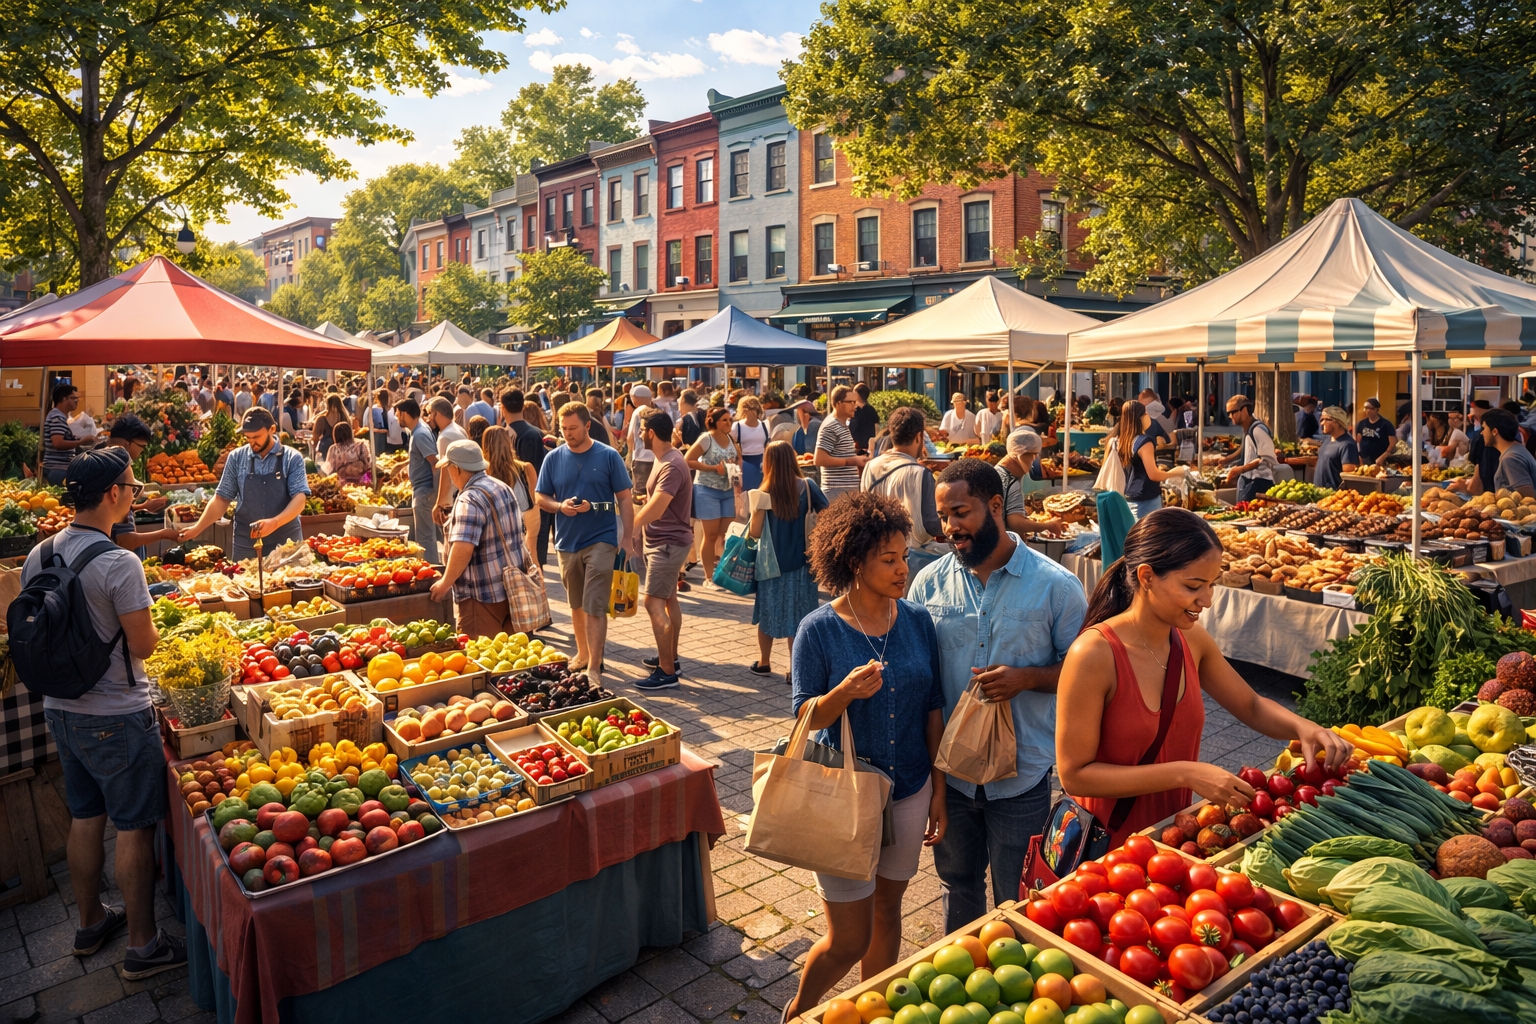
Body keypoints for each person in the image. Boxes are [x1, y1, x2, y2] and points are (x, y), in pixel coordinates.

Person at [1054, 508, 1352, 848]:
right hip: (1110, 845)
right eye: (1194, 586)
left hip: (1179, 840)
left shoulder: (1190, 639)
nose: (1207, 601)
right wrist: (1187, 773)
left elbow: (1251, 705)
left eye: (1211, 585)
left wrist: (1306, 728)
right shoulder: (1093, 654)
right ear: (1147, 576)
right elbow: (1074, 774)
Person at [783, 492, 947, 1019]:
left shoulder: (918, 621)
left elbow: (933, 710)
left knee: (888, 912)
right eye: (890, 559)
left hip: (910, 792)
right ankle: (800, 1011)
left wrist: (938, 792)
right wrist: (842, 694)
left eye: (904, 557)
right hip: (846, 798)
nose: (904, 569)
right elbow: (806, 719)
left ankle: (869, 1013)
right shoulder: (819, 629)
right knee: (848, 939)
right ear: (854, 562)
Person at [904, 459, 1087, 931]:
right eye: (943, 517)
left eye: (960, 513)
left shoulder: (1057, 586)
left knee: (1018, 896)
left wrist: (1026, 679)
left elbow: (1086, 676)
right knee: (957, 883)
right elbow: (919, 679)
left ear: (996, 505)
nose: (950, 528)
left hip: (1021, 776)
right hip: (951, 778)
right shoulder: (927, 584)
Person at [26, 448, 187, 979]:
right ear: (113, 494)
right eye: (133, 487)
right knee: (135, 827)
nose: (136, 493)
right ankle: (143, 946)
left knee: (85, 816)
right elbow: (142, 645)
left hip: (61, 710)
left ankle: (91, 921)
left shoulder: (40, 553)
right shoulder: (121, 563)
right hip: (116, 713)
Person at [535, 402, 635, 682]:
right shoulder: (553, 458)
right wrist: (559, 506)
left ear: (588, 425)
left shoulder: (608, 456)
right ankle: (582, 654)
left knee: (593, 603)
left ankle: (595, 666)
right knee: (576, 604)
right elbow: (540, 497)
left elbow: (625, 499)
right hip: (567, 542)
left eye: (573, 428)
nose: (567, 433)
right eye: (563, 428)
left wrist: (627, 538)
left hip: (601, 540)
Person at [180, 408, 309, 559]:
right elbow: (221, 499)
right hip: (247, 542)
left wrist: (274, 523)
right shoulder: (236, 458)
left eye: (257, 436)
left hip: (286, 541)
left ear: (272, 429)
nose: (252, 442)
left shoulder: (292, 458)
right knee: (244, 580)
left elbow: (300, 499)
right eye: (248, 437)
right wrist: (197, 529)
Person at [748, 441, 828, 682]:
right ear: (792, 460)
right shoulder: (808, 486)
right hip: (803, 563)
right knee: (799, 616)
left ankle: (764, 661)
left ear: (768, 463)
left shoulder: (763, 492)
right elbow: (826, 514)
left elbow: (755, 532)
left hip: (770, 564)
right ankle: (795, 669)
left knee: (767, 613)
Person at [428, 440, 526, 638]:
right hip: (512, 589)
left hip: (481, 595)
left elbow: (463, 547)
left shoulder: (469, 498)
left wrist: (446, 582)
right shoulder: (501, 486)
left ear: (456, 468)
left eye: (449, 468)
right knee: (511, 654)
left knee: (480, 657)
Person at [629, 411, 693, 690]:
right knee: (668, 600)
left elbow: (657, 508)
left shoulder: (671, 464)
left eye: (642, 429)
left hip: (667, 543)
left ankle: (667, 672)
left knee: (652, 603)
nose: (640, 434)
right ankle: (671, 657)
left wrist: (632, 524)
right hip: (667, 541)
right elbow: (657, 499)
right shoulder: (665, 459)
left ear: (651, 433)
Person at [862, 406, 946, 578]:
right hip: (909, 562)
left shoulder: (871, 466)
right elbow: (931, 524)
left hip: (875, 555)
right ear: (919, 436)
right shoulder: (920, 473)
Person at [99, 416, 175, 556]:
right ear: (128, 444)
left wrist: (142, 507)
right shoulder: (118, 472)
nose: (141, 453)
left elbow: (109, 508)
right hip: (119, 560)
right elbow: (125, 541)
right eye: (142, 447)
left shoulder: (99, 460)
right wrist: (164, 534)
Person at [684, 407, 739, 588]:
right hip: (706, 489)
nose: (728, 423)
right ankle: (708, 577)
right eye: (724, 420)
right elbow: (688, 460)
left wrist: (735, 471)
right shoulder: (706, 438)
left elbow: (738, 458)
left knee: (726, 535)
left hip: (727, 490)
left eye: (730, 420)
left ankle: (723, 573)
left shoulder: (731, 438)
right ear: (714, 421)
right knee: (711, 534)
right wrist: (713, 468)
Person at [1116, 399, 1187, 519]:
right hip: (1146, 498)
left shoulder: (1123, 440)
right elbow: (1153, 475)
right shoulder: (1145, 441)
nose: (1148, 416)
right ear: (1140, 417)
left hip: (1129, 497)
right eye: (1146, 413)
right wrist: (1175, 473)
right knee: (1149, 535)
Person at [482, 425, 540, 567]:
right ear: (508, 443)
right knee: (532, 561)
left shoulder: (483, 473)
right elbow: (534, 499)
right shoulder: (526, 468)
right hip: (526, 521)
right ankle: (538, 588)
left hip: (495, 524)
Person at [393, 399, 441, 562]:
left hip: (425, 491)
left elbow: (435, 463)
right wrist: (404, 464)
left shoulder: (420, 433)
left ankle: (432, 574)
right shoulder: (418, 430)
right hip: (424, 490)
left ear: (405, 414)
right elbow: (423, 456)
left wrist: (436, 494)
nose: (397, 418)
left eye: (398, 414)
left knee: (425, 539)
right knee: (427, 536)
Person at [996, 428, 1065, 537]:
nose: (1034, 461)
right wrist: (1048, 525)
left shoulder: (996, 473)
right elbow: (1016, 522)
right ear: (1021, 454)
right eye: (1033, 456)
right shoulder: (1011, 482)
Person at [816, 385, 868, 501]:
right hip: (836, 492)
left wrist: (859, 459)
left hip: (845, 492)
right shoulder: (830, 426)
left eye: (855, 402)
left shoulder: (842, 425)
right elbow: (819, 459)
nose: (855, 406)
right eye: (851, 402)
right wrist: (853, 461)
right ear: (839, 403)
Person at [1220, 395, 1277, 501]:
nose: (1230, 416)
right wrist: (1227, 460)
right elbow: (1246, 449)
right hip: (1248, 481)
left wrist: (1239, 469)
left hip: (1258, 483)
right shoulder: (1248, 428)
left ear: (1244, 410)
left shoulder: (1258, 429)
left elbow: (1265, 459)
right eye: (1228, 413)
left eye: (1232, 412)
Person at [427, 396, 467, 541]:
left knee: (451, 542)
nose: (428, 418)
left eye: (430, 413)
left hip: (451, 499)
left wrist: (439, 503)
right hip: (460, 493)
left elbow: (445, 472)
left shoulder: (445, 436)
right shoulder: (458, 429)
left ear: (437, 413)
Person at [1473, 408, 1536, 499]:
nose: (1482, 433)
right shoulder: (1517, 449)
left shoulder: (1510, 458)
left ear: (1495, 431)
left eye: (1484, 428)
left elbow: (1528, 498)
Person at [42, 383, 87, 484]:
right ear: (63, 399)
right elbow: (57, 443)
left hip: (59, 468)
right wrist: (81, 441)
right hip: (57, 469)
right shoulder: (57, 417)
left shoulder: (58, 415)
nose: (77, 401)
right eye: (73, 398)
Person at [732, 396, 772, 491]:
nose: (752, 412)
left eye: (754, 409)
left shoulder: (765, 425)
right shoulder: (737, 426)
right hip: (744, 463)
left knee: (763, 492)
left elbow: (768, 444)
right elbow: (732, 447)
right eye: (749, 409)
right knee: (747, 493)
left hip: (763, 462)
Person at [625, 384, 657, 492]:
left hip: (640, 458)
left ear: (634, 399)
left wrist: (629, 455)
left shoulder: (637, 412)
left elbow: (630, 437)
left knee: (640, 494)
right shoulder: (657, 409)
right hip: (658, 458)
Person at [1354, 397, 1393, 466]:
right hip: (1364, 459)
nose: (1368, 411)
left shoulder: (1385, 424)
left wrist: (1384, 455)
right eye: (1366, 408)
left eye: (1371, 408)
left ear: (1377, 409)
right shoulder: (1362, 423)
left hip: (1380, 459)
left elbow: (1393, 443)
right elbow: (1357, 441)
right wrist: (1358, 455)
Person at [850, 382, 881, 454]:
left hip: (866, 449)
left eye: (854, 391)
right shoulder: (853, 409)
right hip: (855, 448)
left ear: (857, 394)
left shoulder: (869, 410)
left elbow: (876, 428)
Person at [313, 394, 347, 458]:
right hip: (342, 451)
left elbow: (315, 437)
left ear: (327, 405)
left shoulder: (321, 419)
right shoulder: (345, 418)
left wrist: (314, 453)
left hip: (326, 452)